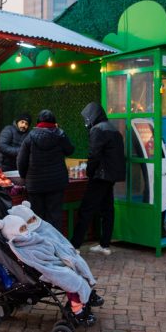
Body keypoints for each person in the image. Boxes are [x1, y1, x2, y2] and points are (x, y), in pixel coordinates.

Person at [0, 214, 98, 326]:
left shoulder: (32, 237)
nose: (26, 231)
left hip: (53, 261)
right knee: (70, 277)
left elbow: (47, 245)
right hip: (46, 269)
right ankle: (77, 310)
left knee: (75, 264)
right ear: (13, 233)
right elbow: (38, 261)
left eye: (25, 227)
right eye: (22, 229)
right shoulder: (21, 247)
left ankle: (82, 299)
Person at [70, 102, 125, 256]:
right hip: (111, 176)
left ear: (92, 116)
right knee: (107, 209)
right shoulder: (113, 129)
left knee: (86, 209)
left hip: (100, 175)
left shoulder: (98, 130)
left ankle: (75, 245)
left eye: (87, 117)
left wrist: (89, 171)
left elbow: (94, 154)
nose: (86, 121)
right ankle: (105, 244)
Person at [17, 109, 74, 231]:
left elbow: (21, 161)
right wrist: (61, 132)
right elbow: (70, 150)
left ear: (38, 122)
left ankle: (40, 247)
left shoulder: (29, 137)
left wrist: (24, 177)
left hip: (35, 185)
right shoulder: (60, 135)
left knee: (36, 218)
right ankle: (55, 246)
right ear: (54, 123)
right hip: (56, 184)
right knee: (54, 216)